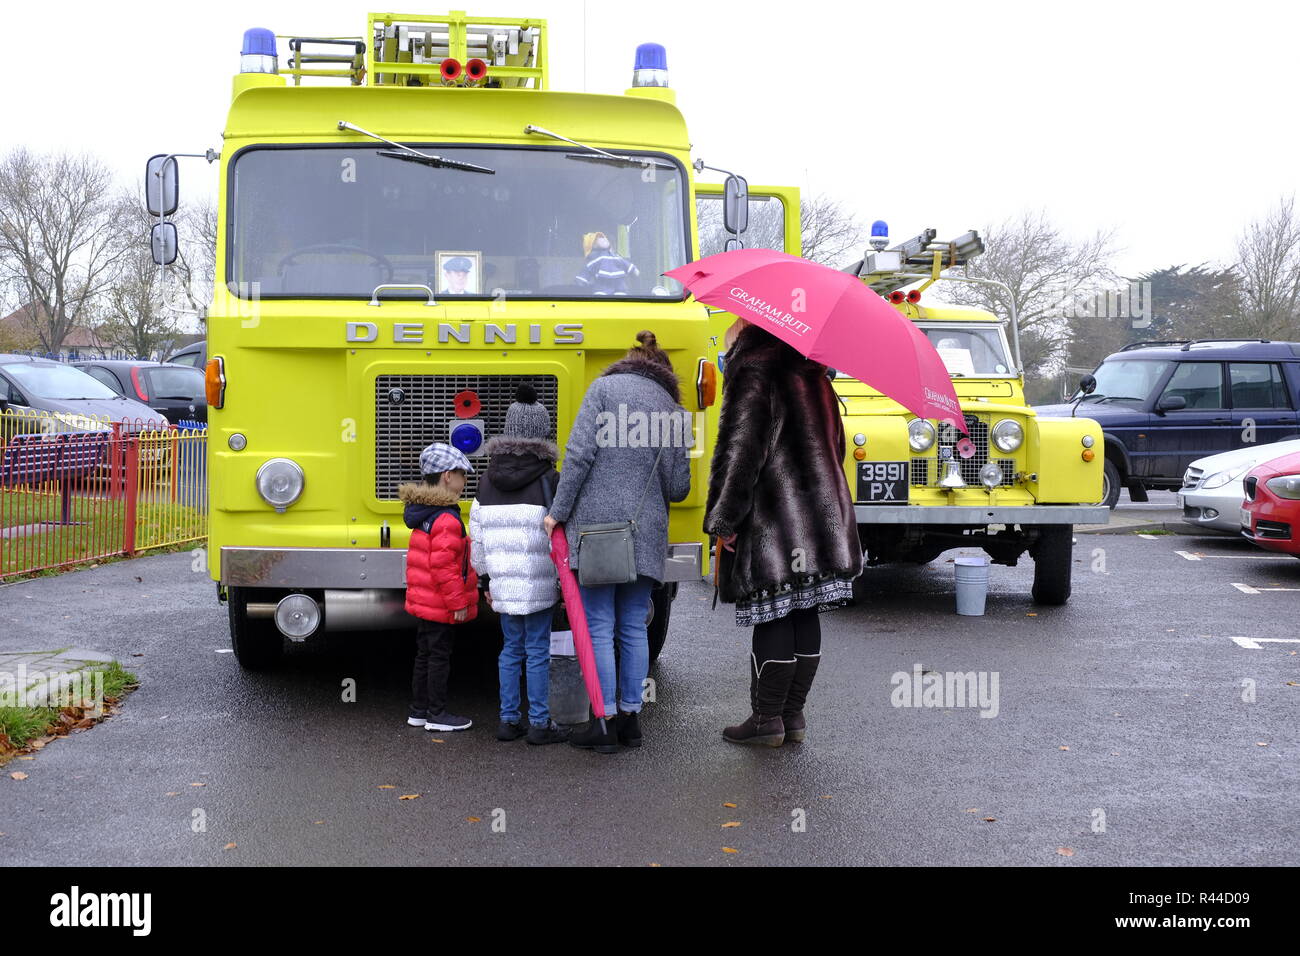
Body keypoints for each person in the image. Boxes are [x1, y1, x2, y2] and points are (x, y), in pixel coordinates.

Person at [705, 318, 863, 747]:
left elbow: (741, 453)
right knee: (802, 608)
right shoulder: (816, 375)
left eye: (735, 326)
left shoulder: (754, 370)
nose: (730, 332)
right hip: (824, 513)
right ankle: (792, 717)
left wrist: (724, 519)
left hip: (776, 514)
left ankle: (766, 719)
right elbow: (838, 445)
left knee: (773, 607)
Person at [544, 331, 691, 753]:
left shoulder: (604, 389)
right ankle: (630, 720)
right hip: (646, 531)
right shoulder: (674, 411)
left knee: (598, 626)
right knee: (632, 625)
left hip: (599, 530)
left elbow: (578, 455)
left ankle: (602, 721)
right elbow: (679, 487)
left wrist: (559, 510)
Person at [468, 385, 567, 746]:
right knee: (538, 650)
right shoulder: (550, 481)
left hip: (504, 585)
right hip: (539, 583)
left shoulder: (486, 480)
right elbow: (561, 539)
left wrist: (484, 580)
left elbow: (475, 537)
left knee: (511, 650)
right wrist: (562, 582)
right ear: (543, 433)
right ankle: (540, 723)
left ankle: (508, 721)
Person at [400, 442, 479, 732]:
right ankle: (437, 714)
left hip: (426, 601)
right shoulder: (446, 518)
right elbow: (445, 568)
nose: (465, 480)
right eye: (462, 474)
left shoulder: (424, 513)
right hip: (440, 603)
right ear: (447, 476)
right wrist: (458, 603)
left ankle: (418, 710)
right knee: (438, 657)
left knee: (425, 654)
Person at [574, 231, 639, 295]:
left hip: (619, 283)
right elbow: (587, 269)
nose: (604, 239)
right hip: (602, 283)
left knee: (621, 293)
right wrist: (581, 280)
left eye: (604, 238)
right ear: (593, 245)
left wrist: (633, 269)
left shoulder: (616, 257)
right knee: (601, 294)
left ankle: (620, 294)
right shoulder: (597, 259)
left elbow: (624, 263)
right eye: (598, 239)